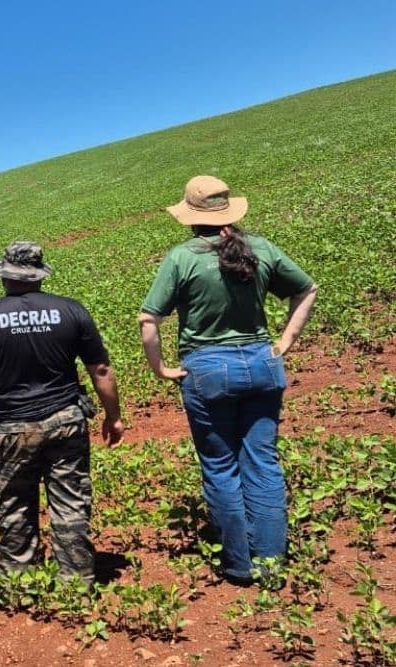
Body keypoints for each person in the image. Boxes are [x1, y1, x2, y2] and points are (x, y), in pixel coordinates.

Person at [138, 175, 318, 585]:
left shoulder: (181, 258)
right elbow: (306, 290)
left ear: (190, 216)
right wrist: (285, 341)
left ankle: (239, 566)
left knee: (220, 467)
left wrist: (160, 368)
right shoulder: (260, 248)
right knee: (263, 464)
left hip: (207, 369)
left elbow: (150, 320)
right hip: (262, 363)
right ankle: (272, 566)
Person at [0, 242, 125, 586]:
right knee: (71, 502)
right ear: (39, 275)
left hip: (12, 426)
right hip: (66, 420)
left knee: (14, 505)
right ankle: (76, 582)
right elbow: (100, 369)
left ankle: (21, 581)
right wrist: (112, 415)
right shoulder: (71, 310)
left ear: (5, 276)